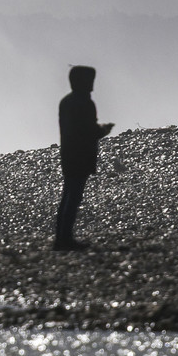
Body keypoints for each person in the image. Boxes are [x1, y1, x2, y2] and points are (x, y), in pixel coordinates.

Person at [54, 64, 113, 251]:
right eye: (89, 80)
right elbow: (90, 131)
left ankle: (61, 237)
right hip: (81, 155)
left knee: (67, 196)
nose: (92, 84)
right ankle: (65, 239)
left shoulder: (66, 102)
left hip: (68, 154)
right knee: (73, 197)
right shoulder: (86, 103)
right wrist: (104, 129)